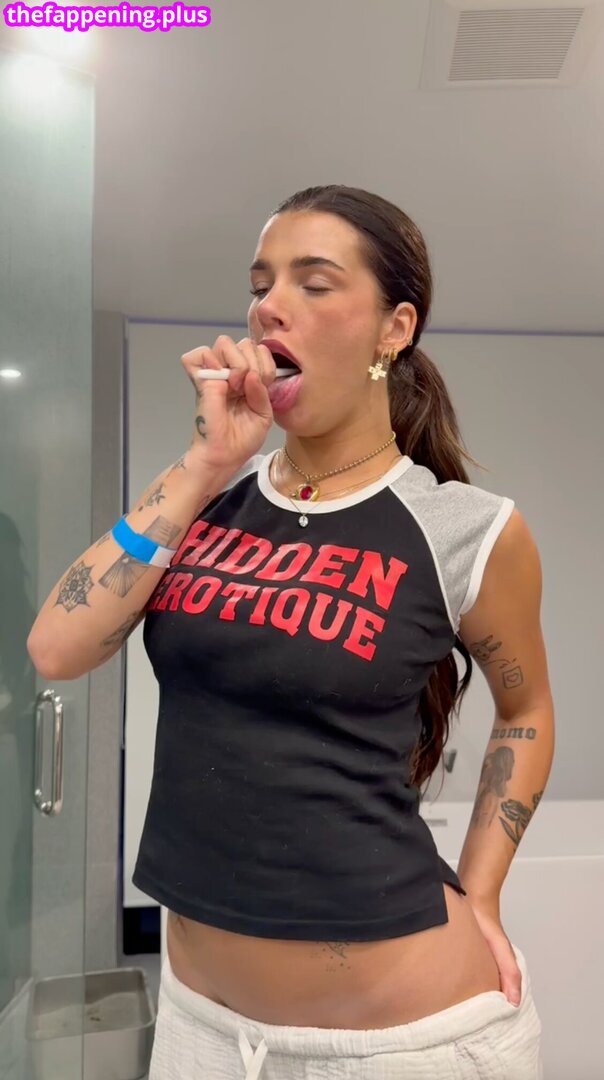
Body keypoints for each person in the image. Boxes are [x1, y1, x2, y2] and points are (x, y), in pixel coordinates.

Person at [28, 185, 551, 1079]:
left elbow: (526, 710)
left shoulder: (468, 528)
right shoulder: (206, 497)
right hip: (198, 1030)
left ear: (394, 329)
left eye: (314, 282)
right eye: (260, 284)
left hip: (403, 1046)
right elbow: (56, 647)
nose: (269, 305)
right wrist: (204, 464)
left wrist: (486, 894)